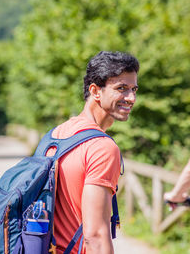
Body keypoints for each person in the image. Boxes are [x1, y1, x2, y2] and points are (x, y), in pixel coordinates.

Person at [45, 51, 139, 254]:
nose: (131, 98)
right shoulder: (102, 147)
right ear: (95, 91)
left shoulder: (56, 135)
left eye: (134, 89)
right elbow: (95, 235)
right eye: (121, 88)